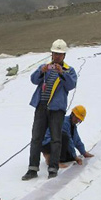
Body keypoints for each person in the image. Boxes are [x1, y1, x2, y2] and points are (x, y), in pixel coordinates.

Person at [22, 39, 78, 180]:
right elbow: (34, 80)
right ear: (51, 54)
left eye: (59, 54)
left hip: (56, 110)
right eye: (55, 53)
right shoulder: (44, 67)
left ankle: (53, 168)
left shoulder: (69, 71)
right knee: (36, 138)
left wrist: (62, 74)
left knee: (56, 139)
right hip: (41, 106)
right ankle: (32, 169)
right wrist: (41, 72)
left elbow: (71, 85)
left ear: (64, 55)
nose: (57, 56)